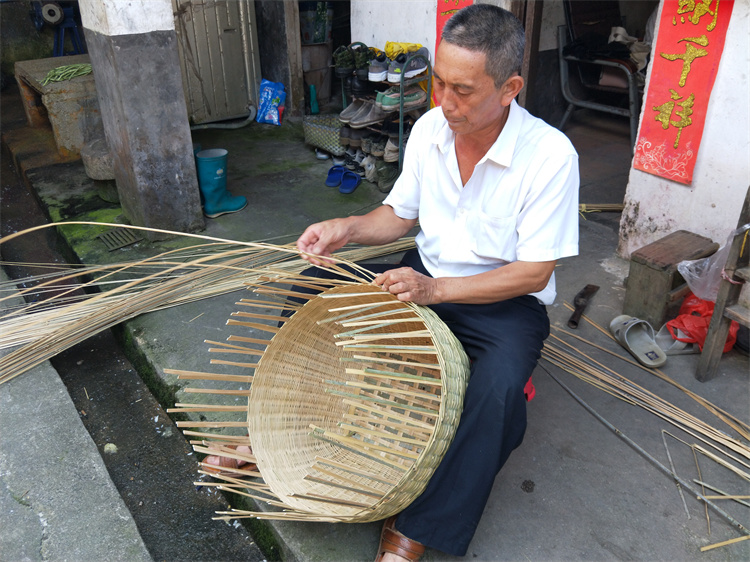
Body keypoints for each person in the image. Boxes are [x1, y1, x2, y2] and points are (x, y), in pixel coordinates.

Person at [296, 5, 579, 561]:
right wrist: (346, 228)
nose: (445, 102)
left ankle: (419, 527)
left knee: (497, 392)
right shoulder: (431, 128)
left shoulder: (549, 156)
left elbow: (534, 271)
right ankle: (291, 431)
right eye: (439, 84)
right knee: (311, 287)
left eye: (463, 90)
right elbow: (400, 217)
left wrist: (436, 293)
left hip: (503, 301)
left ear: (509, 88)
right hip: (422, 274)